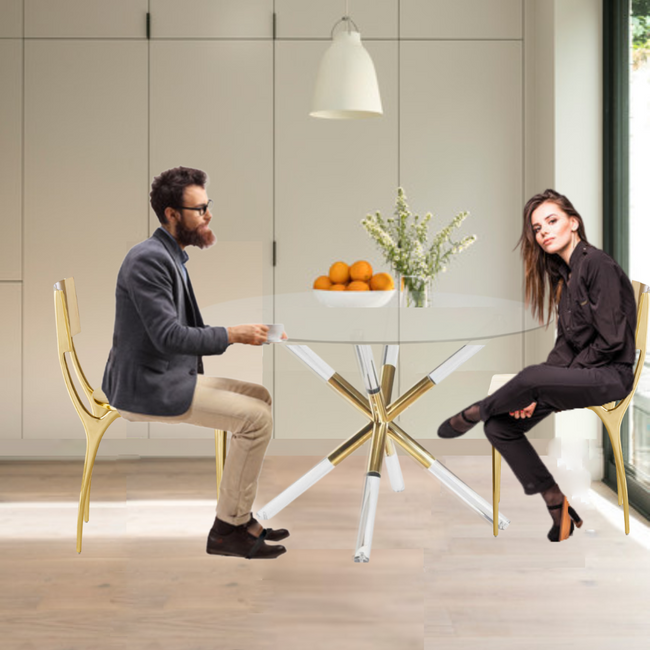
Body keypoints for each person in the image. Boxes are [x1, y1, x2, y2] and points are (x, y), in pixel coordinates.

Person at [102, 166, 288, 559]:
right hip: (147, 386)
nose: (208, 215)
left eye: (208, 205)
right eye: (199, 208)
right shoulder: (148, 261)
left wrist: (241, 331)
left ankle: (239, 517)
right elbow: (168, 337)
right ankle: (226, 531)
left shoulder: (169, 256)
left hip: (165, 375)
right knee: (256, 420)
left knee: (261, 397)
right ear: (172, 214)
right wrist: (233, 334)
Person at [437, 189, 637, 542]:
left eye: (552, 220)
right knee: (500, 426)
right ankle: (556, 503)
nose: (544, 231)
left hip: (610, 376)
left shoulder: (597, 265)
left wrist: (542, 383)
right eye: (537, 227)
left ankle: (475, 411)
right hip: (583, 374)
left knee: (527, 378)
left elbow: (613, 342)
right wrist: (537, 387)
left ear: (573, 222)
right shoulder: (567, 275)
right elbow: (566, 345)